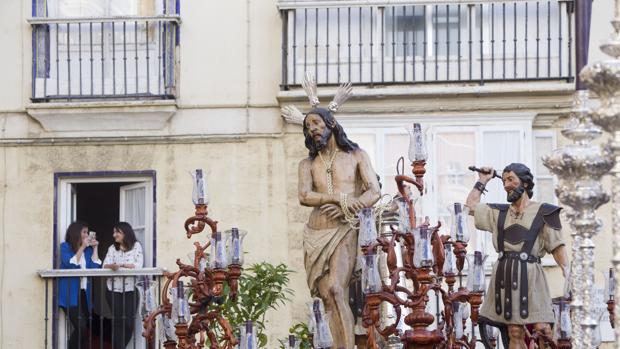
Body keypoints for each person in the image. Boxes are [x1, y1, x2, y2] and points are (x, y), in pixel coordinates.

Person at [298, 107, 381, 348]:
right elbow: (304, 195)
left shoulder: (356, 155)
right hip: (315, 233)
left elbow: (374, 191)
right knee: (326, 297)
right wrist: (337, 198)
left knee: (336, 289)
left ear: (331, 122)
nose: (312, 128)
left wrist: (348, 208)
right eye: (307, 126)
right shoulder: (308, 163)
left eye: (316, 122)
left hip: (345, 228)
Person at [465, 163, 569, 349]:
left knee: (543, 329)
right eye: (504, 180)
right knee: (514, 331)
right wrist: (482, 180)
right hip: (505, 276)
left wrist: (567, 271)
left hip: (533, 277)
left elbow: (557, 245)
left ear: (526, 184)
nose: (506, 184)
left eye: (511, 179)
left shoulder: (545, 211)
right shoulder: (499, 213)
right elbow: (470, 206)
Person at [59, 220, 102, 349]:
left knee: (85, 328)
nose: (87, 234)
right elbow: (70, 264)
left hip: (84, 293)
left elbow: (95, 268)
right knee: (81, 326)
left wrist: (95, 248)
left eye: (87, 232)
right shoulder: (65, 247)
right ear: (76, 233)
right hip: (69, 293)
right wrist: (82, 247)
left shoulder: (88, 251)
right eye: (84, 232)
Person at [103, 222, 144, 349]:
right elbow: (105, 265)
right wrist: (112, 266)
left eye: (117, 232)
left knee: (128, 323)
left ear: (125, 233)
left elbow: (138, 266)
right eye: (114, 232)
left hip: (131, 290)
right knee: (118, 323)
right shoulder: (112, 248)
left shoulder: (136, 246)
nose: (114, 235)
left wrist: (119, 266)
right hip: (113, 290)